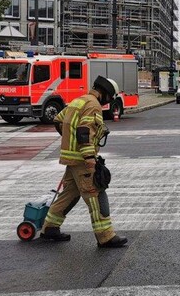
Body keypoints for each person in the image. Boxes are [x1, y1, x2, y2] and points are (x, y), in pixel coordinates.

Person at [39, 76, 128, 248]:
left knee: (69, 194)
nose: (107, 102)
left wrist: (69, 141)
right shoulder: (93, 105)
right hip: (82, 159)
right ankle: (106, 236)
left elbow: (59, 120)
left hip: (71, 158)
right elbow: (84, 131)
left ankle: (50, 227)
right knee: (96, 193)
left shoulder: (78, 101)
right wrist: (88, 157)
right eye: (109, 98)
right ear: (105, 93)